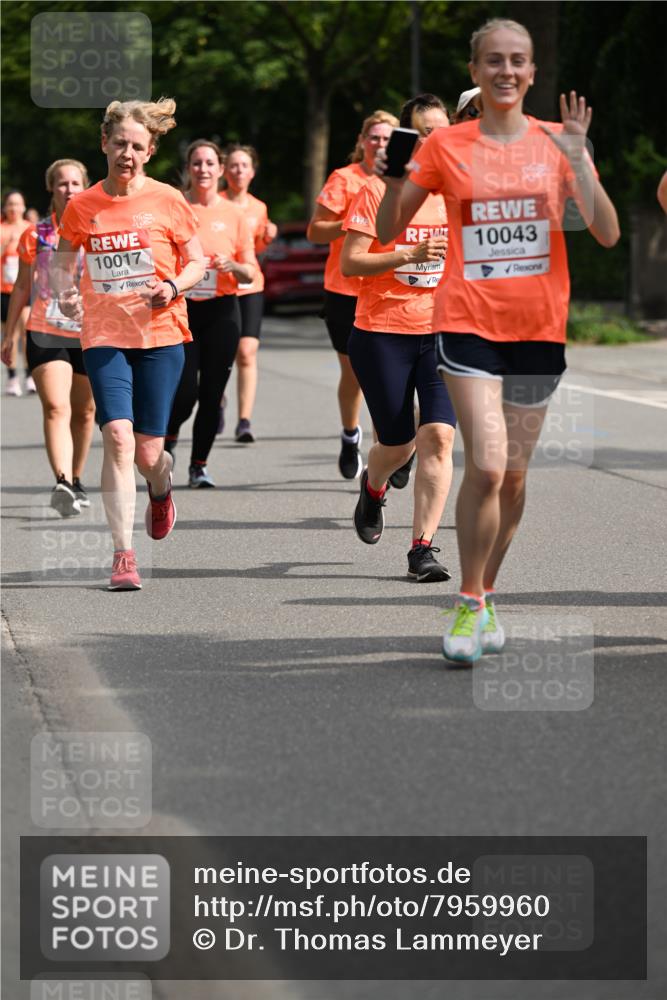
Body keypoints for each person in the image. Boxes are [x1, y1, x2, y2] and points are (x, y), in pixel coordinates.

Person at [375, 18, 620, 662]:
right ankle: (467, 607)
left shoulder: (557, 143)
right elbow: (387, 228)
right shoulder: (447, 145)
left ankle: (485, 590)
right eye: (493, 61)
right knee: (483, 464)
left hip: (539, 329)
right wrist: (396, 174)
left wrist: (579, 161)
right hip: (467, 322)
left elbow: (606, 233)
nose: (506, 71)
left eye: (518, 61)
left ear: (532, 72)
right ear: (475, 72)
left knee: (512, 477)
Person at [54, 98, 205, 590]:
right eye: (119, 143)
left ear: (150, 151)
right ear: (104, 143)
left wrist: (175, 286)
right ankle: (123, 554)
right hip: (104, 335)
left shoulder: (167, 200)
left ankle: (161, 489)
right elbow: (60, 265)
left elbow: (197, 263)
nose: (127, 153)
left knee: (147, 453)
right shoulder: (83, 206)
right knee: (117, 436)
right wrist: (66, 296)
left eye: (137, 146)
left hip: (162, 335)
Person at [341, 94, 456, 582]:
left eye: (441, 131)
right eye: (423, 133)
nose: (434, 140)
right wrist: (407, 256)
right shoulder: (378, 191)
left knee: (438, 439)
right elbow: (351, 262)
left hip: (445, 334)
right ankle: (373, 485)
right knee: (399, 441)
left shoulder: (461, 192)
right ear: (407, 140)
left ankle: (422, 549)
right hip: (381, 331)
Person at [1, 162, 96, 516]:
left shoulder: (96, 227)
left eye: (75, 183)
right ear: (51, 188)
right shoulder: (35, 234)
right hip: (45, 329)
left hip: (88, 332)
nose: (69, 189)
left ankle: (76, 476)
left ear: (85, 186)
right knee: (57, 406)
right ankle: (62, 481)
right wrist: (9, 335)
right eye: (62, 184)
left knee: (85, 412)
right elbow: (22, 286)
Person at [307, 110, 398, 480]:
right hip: (345, 288)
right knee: (356, 372)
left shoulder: (405, 181)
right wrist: (354, 224)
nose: (379, 144)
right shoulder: (344, 179)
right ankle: (350, 434)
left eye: (387, 139)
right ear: (362, 141)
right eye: (374, 137)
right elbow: (315, 231)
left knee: (386, 374)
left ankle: (389, 446)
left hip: (390, 286)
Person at [165, 140, 257, 486]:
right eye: (196, 163)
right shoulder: (175, 206)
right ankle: (169, 438)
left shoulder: (234, 214)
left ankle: (198, 466)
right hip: (182, 310)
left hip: (222, 312)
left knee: (212, 394)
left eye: (209, 164)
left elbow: (250, 271)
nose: (203, 169)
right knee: (185, 390)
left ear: (220, 170)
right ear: (188, 168)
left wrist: (231, 264)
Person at [221, 143, 277, 443]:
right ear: (224, 170)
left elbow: (254, 251)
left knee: (247, 352)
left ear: (252, 172)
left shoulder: (259, 208)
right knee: (219, 353)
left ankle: (244, 420)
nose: (238, 170)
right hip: (219, 286)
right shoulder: (213, 202)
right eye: (233, 165)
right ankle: (217, 400)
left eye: (244, 165)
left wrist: (268, 238)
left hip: (251, 285)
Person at [1, 189, 33, 395]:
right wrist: (7, 243)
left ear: (23, 207)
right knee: (9, 333)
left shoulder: (30, 229)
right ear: (5, 207)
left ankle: (30, 375)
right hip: (4, 289)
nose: (13, 208)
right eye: (10, 204)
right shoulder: (2, 229)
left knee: (26, 332)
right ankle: (12, 377)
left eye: (17, 204)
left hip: (27, 288)